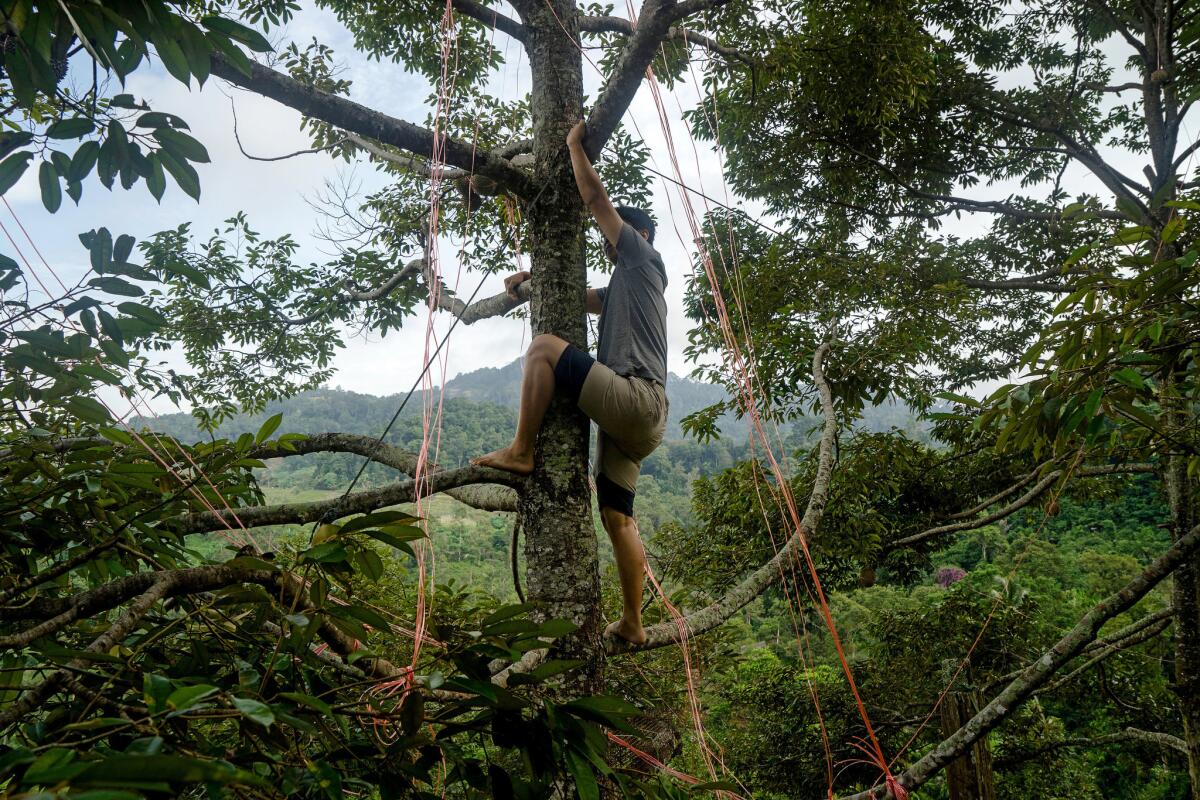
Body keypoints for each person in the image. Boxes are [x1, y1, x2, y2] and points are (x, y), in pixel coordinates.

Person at [472, 120, 668, 645]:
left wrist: (575, 146)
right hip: (640, 420)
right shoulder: (628, 288)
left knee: (542, 348)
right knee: (617, 518)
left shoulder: (643, 257)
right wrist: (526, 286)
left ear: (639, 235)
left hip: (634, 398)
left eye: (619, 233)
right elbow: (576, 294)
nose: (611, 242)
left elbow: (595, 198)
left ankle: (521, 449)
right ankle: (633, 622)